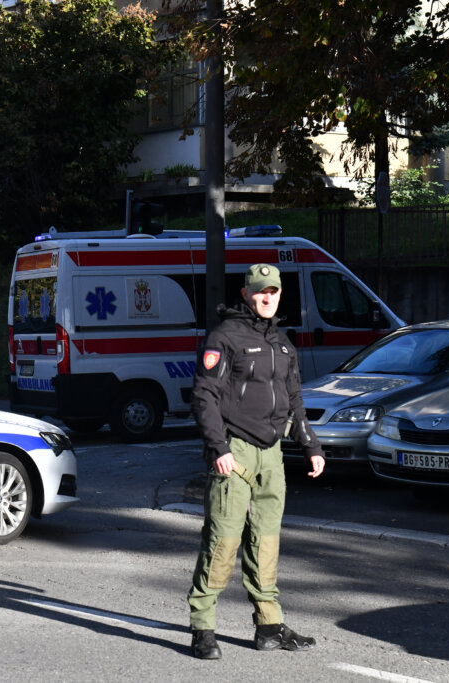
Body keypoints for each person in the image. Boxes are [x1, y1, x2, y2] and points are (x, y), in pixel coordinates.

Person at [187, 263, 326, 660]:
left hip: (272, 454)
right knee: (223, 542)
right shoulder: (225, 336)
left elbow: (295, 401)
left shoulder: (283, 344)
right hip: (235, 450)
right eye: (260, 291)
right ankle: (203, 628)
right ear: (246, 294)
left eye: (274, 292)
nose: (268, 297)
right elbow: (205, 397)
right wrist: (219, 448)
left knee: (266, 542)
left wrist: (311, 446)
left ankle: (268, 626)